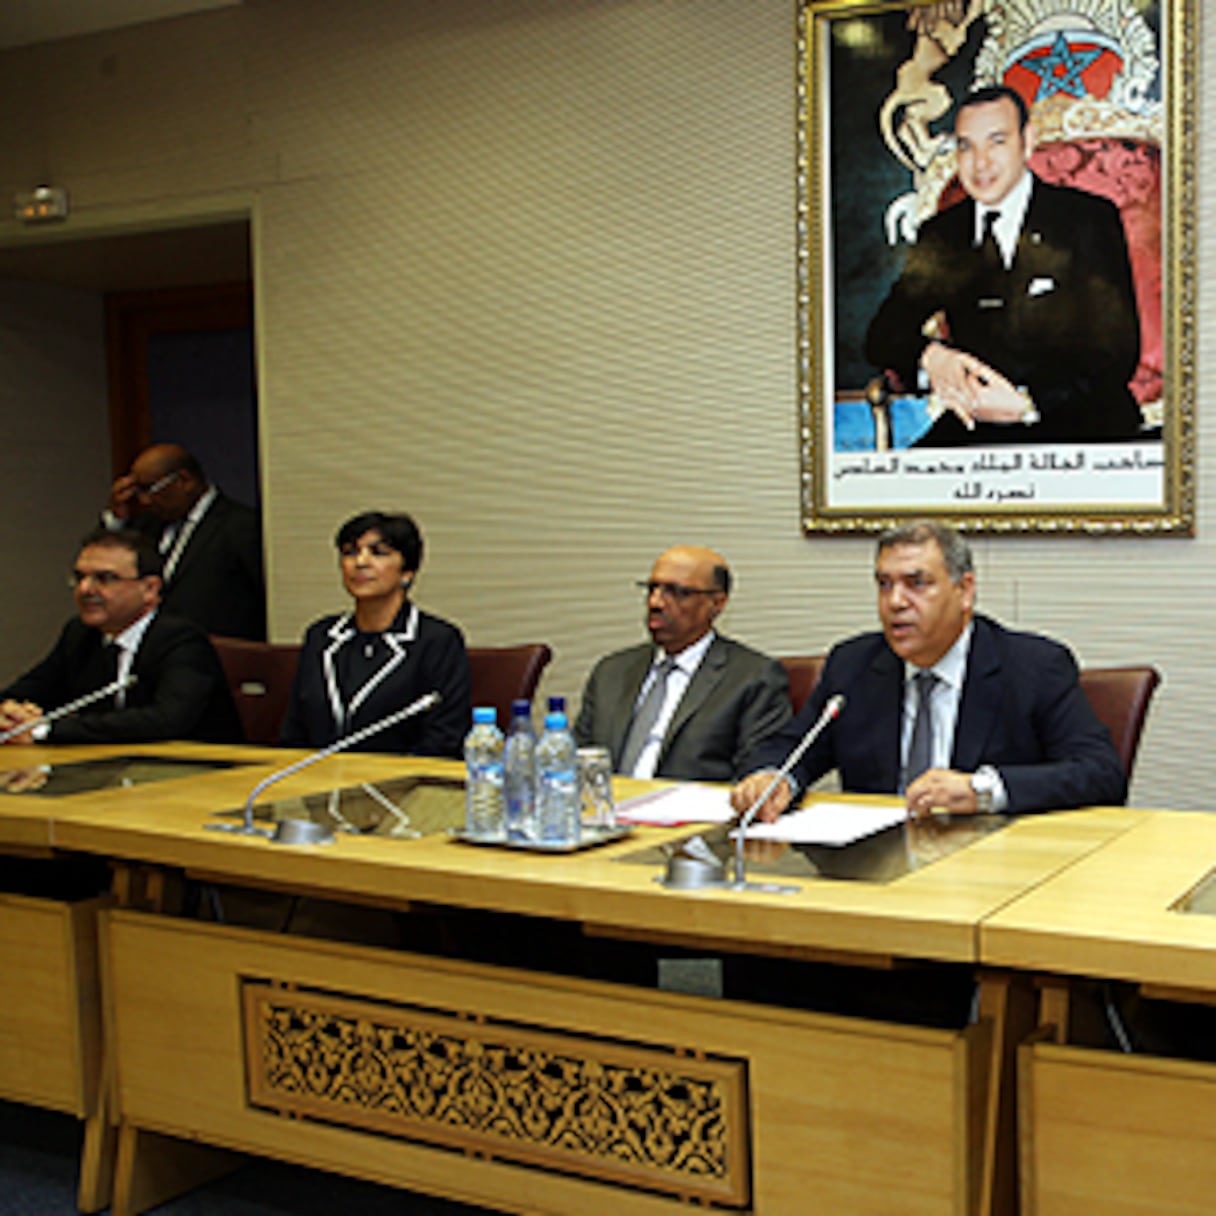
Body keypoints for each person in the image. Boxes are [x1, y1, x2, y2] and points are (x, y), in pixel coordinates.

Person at [730, 520, 1126, 821]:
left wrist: (982, 791)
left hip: (993, 867)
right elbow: (793, 747)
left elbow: (1100, 774)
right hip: (873, 867)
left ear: (965, 591)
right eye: (884, 585)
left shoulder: (1033, 666)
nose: (895, 602)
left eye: (916, 584)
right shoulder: (854, 664)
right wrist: (774, 777)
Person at [865, 84, 1143, 446]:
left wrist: (1028, 405)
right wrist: (930, 356)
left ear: (1026, 143)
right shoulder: (944, 233)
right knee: (902, 494)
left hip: (1081, 421)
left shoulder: (1087, 218)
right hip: (979, 428)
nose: (981, 163)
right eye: (966, 146)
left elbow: (1117, 353)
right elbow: (882, 334)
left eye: (997, 141)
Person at [0, 528, 242, 745]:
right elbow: (30, 690)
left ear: (149, 589)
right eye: (79, 577)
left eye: (104, 579)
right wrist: (9, 712)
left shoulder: (181, 640)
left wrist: (45, 731)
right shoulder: (81, 635)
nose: (85, 589)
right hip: (108, 771)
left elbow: (166, 720)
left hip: (194, 776)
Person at [574, 546, 791, 782]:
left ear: (716, 603)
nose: (655, 602)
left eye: (676, 592)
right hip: (605, 812)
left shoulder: (753, 677)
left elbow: (755, 778)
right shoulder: (611, 671)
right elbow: (576, 761)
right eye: (652, 589)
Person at [280, 511, 470, 756]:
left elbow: (444, 740)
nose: (360, 562)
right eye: (350, 552)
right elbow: (294, 731)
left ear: (407, 572)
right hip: (317, 783)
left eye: (378, 553)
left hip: (402, 787)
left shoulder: (436, 641)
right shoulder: (321, 636)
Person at [105, 443, 266, 639]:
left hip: (220, 652)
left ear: (185, 480)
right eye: (139, 491)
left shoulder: (242, 526)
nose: (145, 500)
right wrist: (117, 518)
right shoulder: (147, 526)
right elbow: (105, 564)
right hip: (157, 651)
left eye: (150, 489)